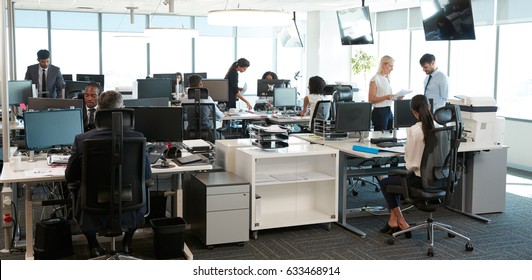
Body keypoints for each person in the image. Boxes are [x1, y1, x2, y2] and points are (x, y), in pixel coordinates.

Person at [65, 90, 152, 258]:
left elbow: (70, 176)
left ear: (98, 111)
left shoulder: (82, 139)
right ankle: (127, 244)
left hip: (92, 207)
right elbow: (146, 175)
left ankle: (94, 246)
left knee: (79, 189)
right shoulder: (138, 138)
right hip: (131, 205)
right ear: (124, 110)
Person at [379, 94, 435, 237]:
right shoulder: (441, 128)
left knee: (385, 182)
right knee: (393, 175)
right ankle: (393, 221)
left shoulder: (414, 131)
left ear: (414, 112)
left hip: (419, 181)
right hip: (438, 179)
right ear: (429, 108)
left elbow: (410, 164)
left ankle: (402, 221)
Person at [180, 74, 224, 139]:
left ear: (189, 85)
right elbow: (219, 115)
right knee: (221, 137)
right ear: (201, 84)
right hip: (207, 133)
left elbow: (181, 115)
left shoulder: (184, 100)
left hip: (190, 133)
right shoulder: (208, 99)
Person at [368, 55, 396, 132]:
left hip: (388, 110)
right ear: (383, 65)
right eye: (390, 66)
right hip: (379, 112)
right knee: (381, 137)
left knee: (391, 133)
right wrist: (386, 97)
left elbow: (386, 96)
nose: (392, 69)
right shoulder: (375, 79)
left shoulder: (386, 78)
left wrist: (396, 97)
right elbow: (371, 99)